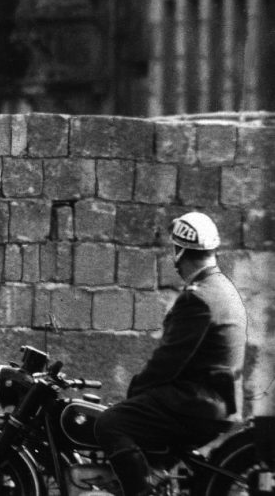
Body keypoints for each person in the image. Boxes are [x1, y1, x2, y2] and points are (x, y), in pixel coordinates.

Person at [95, 211, 247, 496]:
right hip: (218, 402)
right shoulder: (224, 289)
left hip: (197, 403)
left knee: (110, 422)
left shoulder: (198, 297)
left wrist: (134, 391)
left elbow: (169, 361)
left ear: (179, 251)